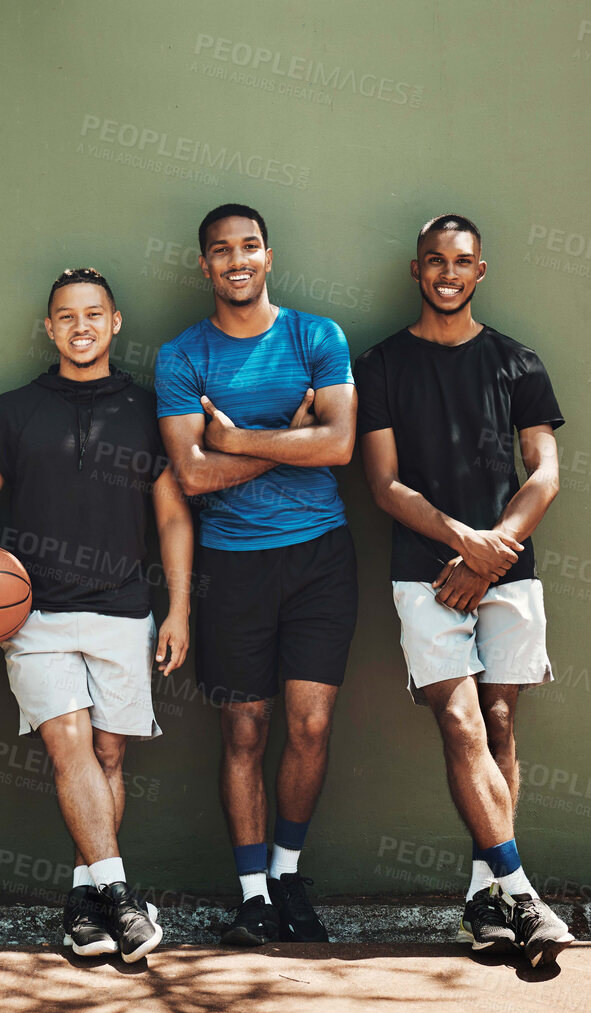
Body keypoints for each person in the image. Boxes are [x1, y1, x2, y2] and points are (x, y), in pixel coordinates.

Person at [0, 268, 192, 963]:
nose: (80, 326)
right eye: (65, 316)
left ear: (115, 321)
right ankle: (122, 900)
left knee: (108, 755)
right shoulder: (10, 413)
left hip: (124, 610)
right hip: (33, 614)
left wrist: (179, 606)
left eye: (93, 314)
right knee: (69, 745)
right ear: (49, 327)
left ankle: (82, 903)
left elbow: (173, 519)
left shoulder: (150, 410)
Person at [355, 213, 574, 969]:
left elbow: (543, 473)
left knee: (501, 722)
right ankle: (520, 890)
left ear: (480, 271)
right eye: (434, 261)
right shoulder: (380, 364)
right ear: (415, 271)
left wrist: (488, 555)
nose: (447, 272)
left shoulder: (517, 362)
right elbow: (382, 483)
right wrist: (461, 543)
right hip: (423, 569)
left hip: (505, 566)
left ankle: (485, 898)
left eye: (462, 261)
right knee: (458, 719)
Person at [155, 204, 358, 946]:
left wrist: (237, 438)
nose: (235, 260)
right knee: (244, 729)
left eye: (248, 247)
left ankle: (286, 875)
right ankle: (251, 896)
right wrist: (288, 439)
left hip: (319, 559)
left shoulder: (317, 336)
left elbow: (339, 447)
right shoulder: (181, 357)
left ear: (268, 257)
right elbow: (192, 476)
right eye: (219, 251)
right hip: (231, 569)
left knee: (308, 726)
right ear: (203, 267)